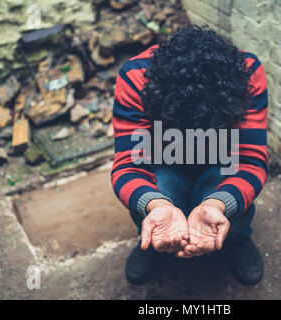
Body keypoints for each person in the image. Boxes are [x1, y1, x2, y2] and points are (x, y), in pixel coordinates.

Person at [111, 25, 268, 285]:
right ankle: (150, 237)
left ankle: (238, 238)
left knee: (232, 211)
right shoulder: (135, 77)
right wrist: (157, 207)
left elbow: (250, 160)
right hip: (163, 158)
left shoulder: (248, 74)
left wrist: (216, 205)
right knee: (151, 201)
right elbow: (129, 166)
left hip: (221, 157)